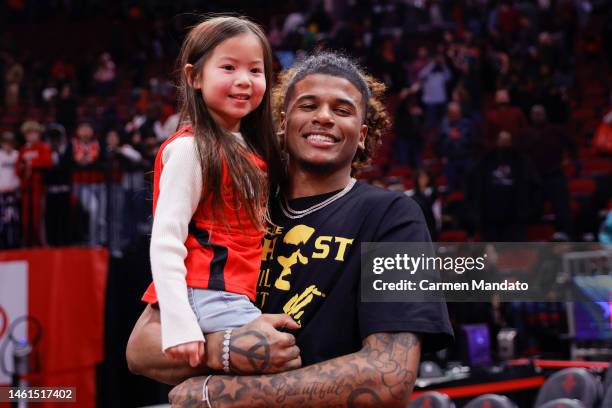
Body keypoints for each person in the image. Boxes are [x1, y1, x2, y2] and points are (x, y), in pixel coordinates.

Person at [127, 51, 453, 407]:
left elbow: (390, 374)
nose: (324, 118)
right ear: (283, 122)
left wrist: (221, 395)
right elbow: (141, 347)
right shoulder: (229, 206)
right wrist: (222, 349)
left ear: (361, 135)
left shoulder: (394, 216)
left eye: (342, 110)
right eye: (308, 106)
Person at [140, 16, 284, 370]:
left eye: (255, 70)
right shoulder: (191, 149)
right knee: (281, 363)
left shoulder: (251, 148)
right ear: (194, 77)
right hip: (208, 293)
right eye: (228, 67)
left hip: (228, 294)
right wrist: (179, 324)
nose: (243, 81)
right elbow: (166, 240)